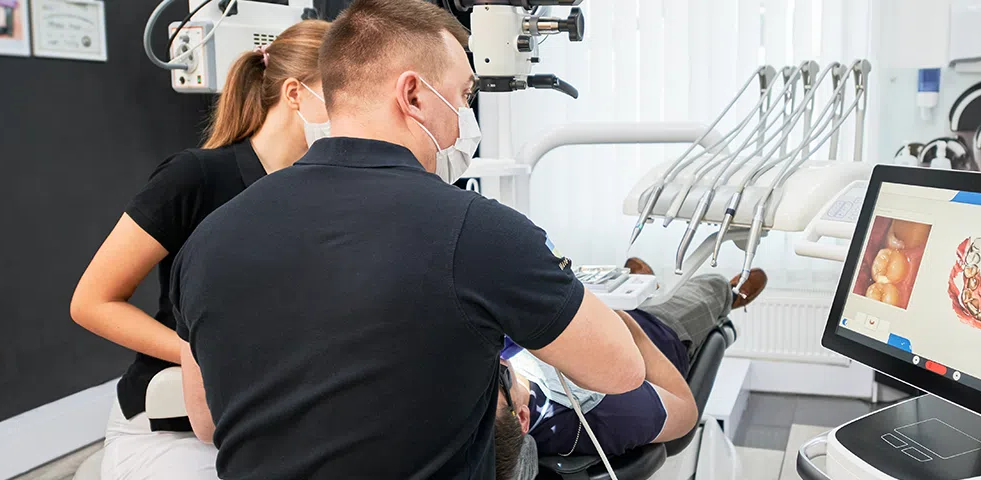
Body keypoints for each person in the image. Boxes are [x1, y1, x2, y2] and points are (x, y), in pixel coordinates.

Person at [169, 1, 646, 478]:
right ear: (413, 95)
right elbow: (620, 369)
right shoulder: (477, 231)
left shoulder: (208, 239)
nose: (465, 117)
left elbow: (207, 421)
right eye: (464, 95)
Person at [68, 20, 331, 480]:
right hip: (171, 425)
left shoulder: (324, 192)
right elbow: (92, 302)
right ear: (295, 94)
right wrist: (198, 354)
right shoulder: (195, 178)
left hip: (274, 419)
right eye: (344, 97)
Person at [493, 260, 768, 479]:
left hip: (600, 317)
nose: (487, 368)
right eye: (498, 379)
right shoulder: (602, 411)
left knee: (625, 282)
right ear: (522, 418)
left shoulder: (488, 379)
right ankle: (730, 297)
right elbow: (686, 412)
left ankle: (645, 285)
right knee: (708, 286)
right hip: (658, 330)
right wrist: (625, 323)